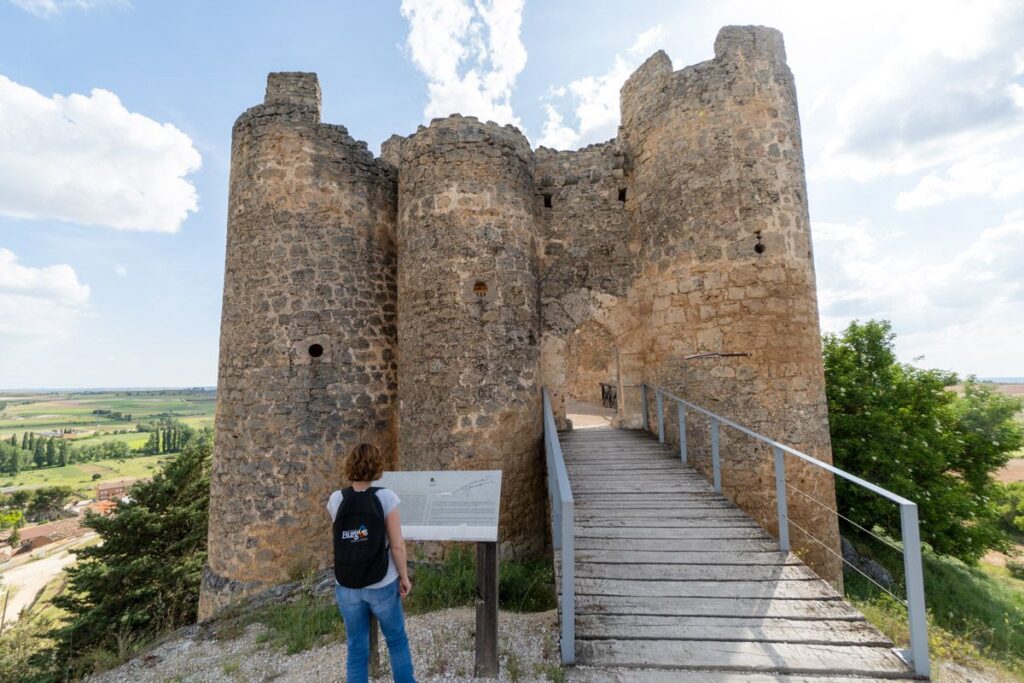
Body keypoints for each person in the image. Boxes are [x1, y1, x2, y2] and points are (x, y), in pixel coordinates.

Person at [328, 443, 416, 683]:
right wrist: (404, 577)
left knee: (356, 648)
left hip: (347, 585)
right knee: (397, 642)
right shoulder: (386, 497)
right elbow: (397, 545)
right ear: (377, 466)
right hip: (382, 583)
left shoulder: (336, 499)